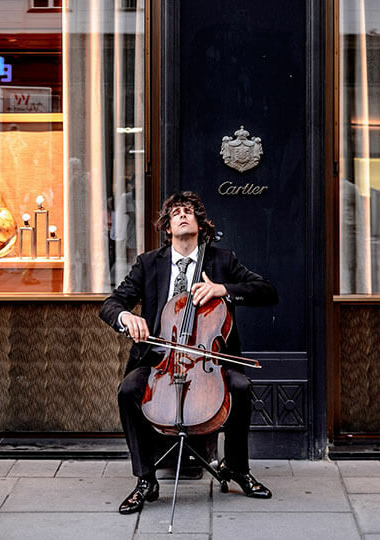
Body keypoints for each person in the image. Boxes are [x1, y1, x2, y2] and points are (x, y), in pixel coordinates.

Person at [100, 190, 279, 515]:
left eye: (188, 211)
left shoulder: (222, 261)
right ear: (167, 227)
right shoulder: (149, 263)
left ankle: (236, 467)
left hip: (207, 360)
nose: (182, 215)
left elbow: (267, 291)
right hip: (160, 360)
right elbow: (111, 305)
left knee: (241, 387)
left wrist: (223, 289)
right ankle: (145, 479)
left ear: (200, 223)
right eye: (175, 213)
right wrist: (126, 317)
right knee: (128, 390)